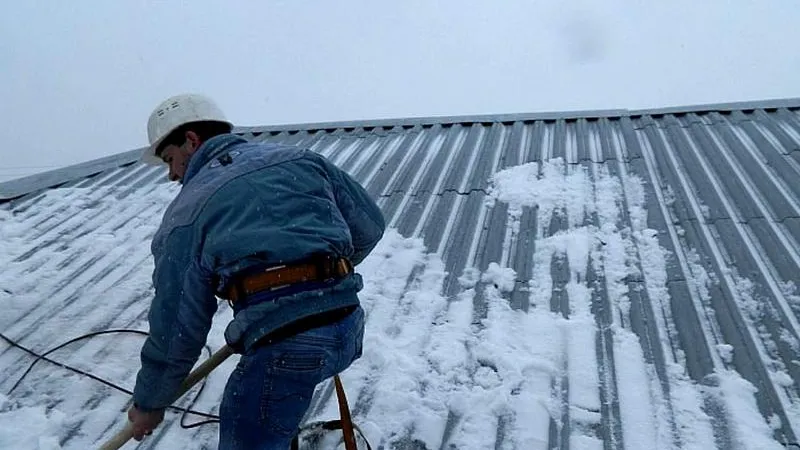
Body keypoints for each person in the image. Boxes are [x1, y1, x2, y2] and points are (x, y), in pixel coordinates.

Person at [127, 93, 385, 449]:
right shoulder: (303, 160)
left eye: (170, 159)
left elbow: (176, 325)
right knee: (276, 403)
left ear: (191, 140)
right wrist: (320, 277)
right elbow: (369, 226)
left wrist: (150, 402)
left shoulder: (185, 215)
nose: (171, 174)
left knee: (252, 418)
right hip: (348, 326)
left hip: (286, 349)